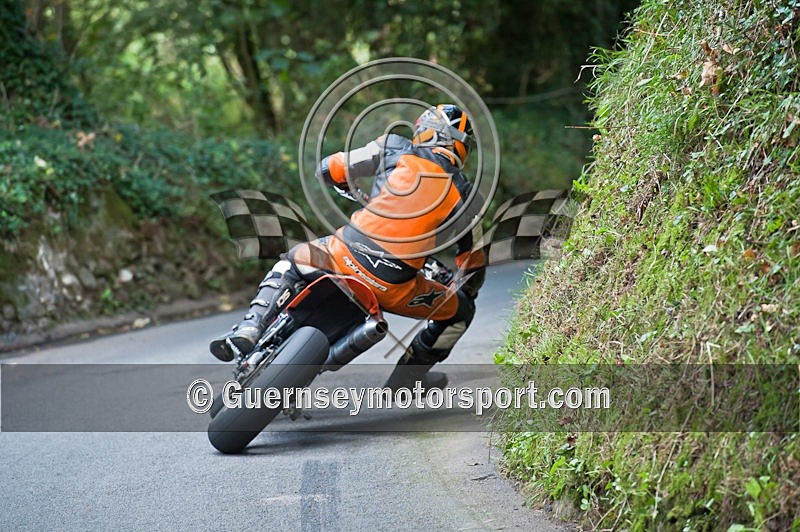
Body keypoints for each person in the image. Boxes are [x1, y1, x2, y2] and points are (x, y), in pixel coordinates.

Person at [209, 104, 486, 390]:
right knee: (461, 313)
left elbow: (329, 168)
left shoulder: (394, 146)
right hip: (396, 289)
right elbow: (474, 266)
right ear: (460, 146)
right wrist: (460, 288)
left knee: (292, 261)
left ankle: (252, 325)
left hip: (343, 256)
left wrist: (345, 184)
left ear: (427, 131)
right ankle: (406, 381)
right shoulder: (469, 198)